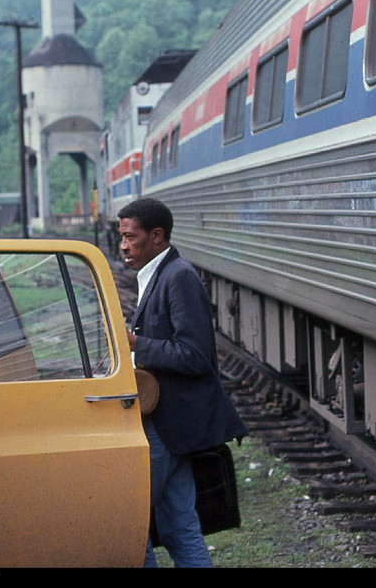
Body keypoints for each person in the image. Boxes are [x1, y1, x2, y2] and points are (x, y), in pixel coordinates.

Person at [118, 197, 247, 568]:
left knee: (131, 526)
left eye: (131, 236)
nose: (123, 245)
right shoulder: (161, 274)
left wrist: (136, 344)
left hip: (166, 425)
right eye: (121, 236)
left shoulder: (179, 277)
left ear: (157, 236)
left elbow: (194, 354)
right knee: (178, 526)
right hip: (171, 425)